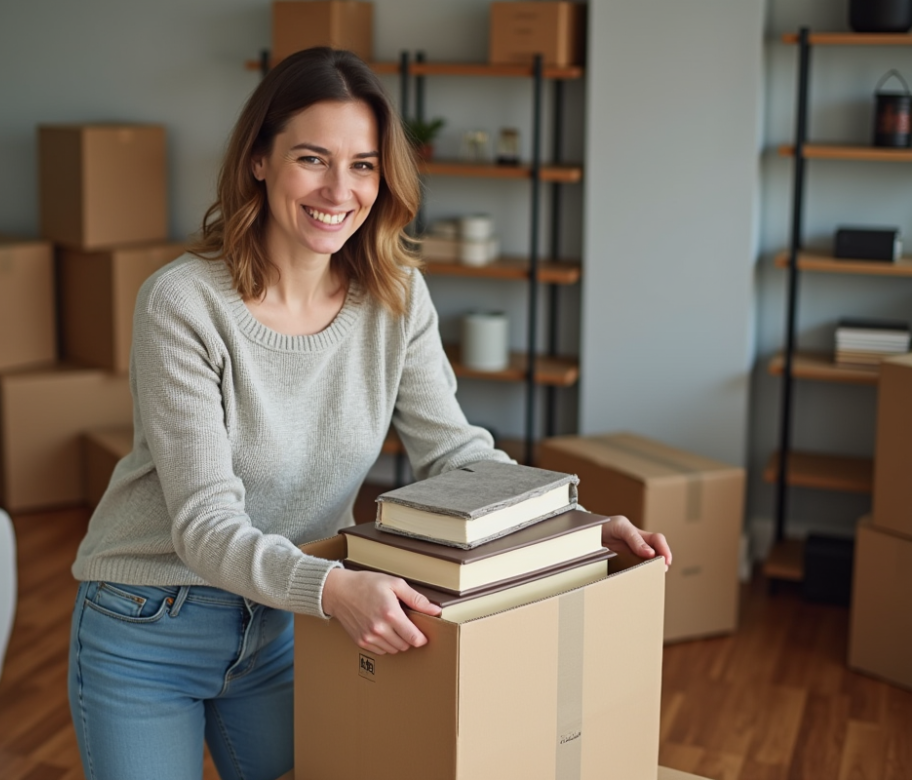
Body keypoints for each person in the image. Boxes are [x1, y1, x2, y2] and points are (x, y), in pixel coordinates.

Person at [67, 47, 672, 780]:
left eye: (363, 164)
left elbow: (457, 454)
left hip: (291, 623)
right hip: (151, 622)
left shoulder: (396, 296)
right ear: (259, 159)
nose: (339, 189)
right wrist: (332, 588)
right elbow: (203, 526)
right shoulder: (183, 303)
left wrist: (572, 532)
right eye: (313, 159)